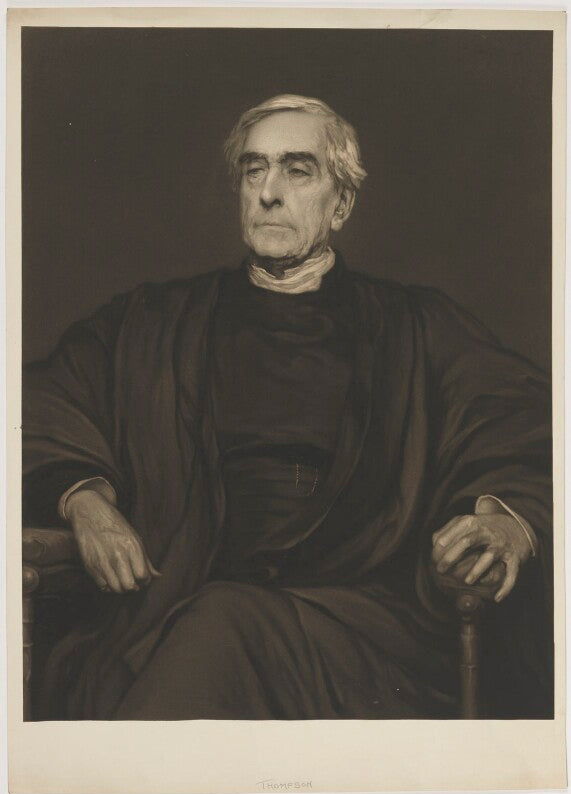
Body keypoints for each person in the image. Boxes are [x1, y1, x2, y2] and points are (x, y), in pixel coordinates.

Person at [23, 95, 552, 720]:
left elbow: (528, 424)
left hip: (358, 629)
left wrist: (506, 523)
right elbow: (37, 403)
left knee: (218, 629)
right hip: (169, 606)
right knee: (186, 636)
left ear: (342, 204)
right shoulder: (154, 322)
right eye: (254, 170)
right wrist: (85, 501)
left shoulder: (415, 327)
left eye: (298, 171)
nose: (269, 192)